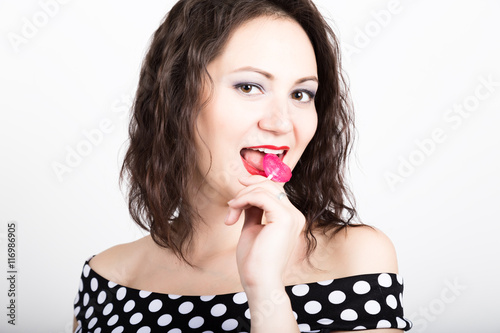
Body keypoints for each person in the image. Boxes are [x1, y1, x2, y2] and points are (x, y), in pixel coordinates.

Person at [73, 0, 412, 332]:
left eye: (301, 94)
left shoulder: (355, 260)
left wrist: (265, 290)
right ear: (178, 98)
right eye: (249, 87)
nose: (282, 123)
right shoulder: (107, 275)